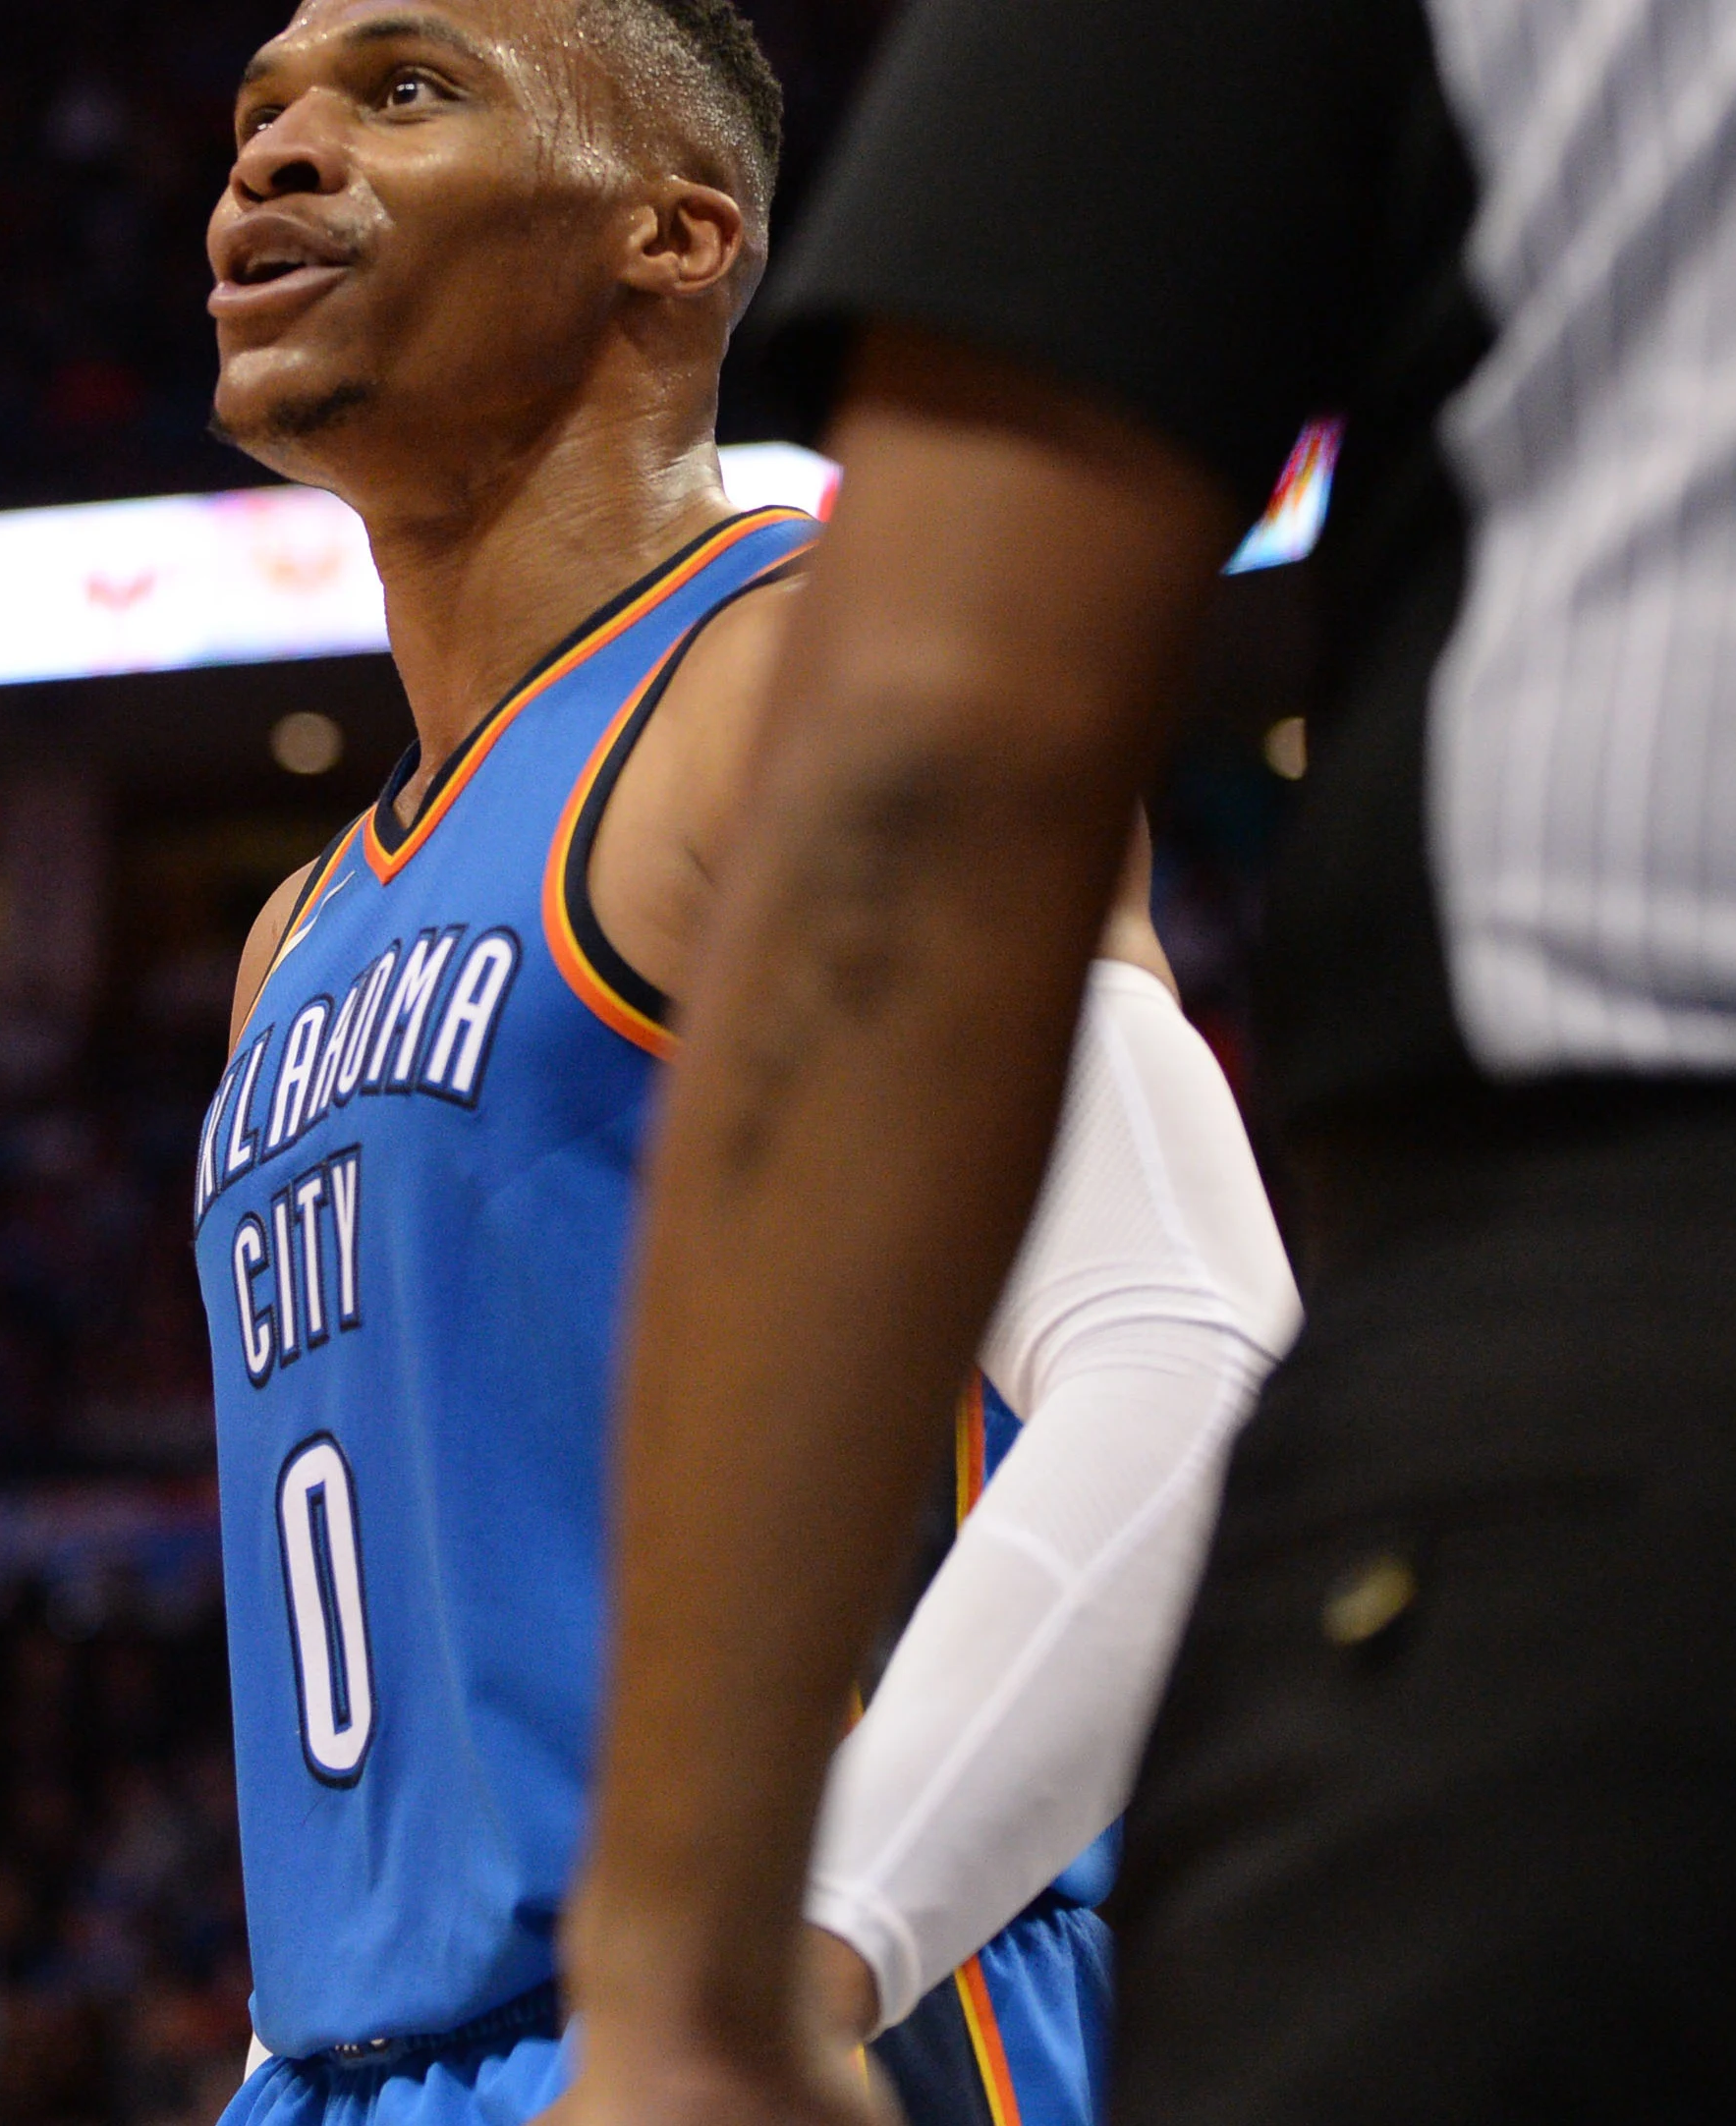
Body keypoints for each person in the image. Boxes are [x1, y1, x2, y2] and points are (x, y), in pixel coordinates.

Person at [554, 0, 1736, 2121]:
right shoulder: (309, 923)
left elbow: (936, 760)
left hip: (1709, 1397)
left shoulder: (714, 680)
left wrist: (699, 1968)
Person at [186, 2, 1298, 2122]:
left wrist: (793, 1958)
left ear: (676, 237)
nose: (276, 155)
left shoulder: (800, 679)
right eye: (258, 113)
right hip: (367, 2059)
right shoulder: (297, 931)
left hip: (830, 2011)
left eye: (399, 95)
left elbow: (1189, 1351)